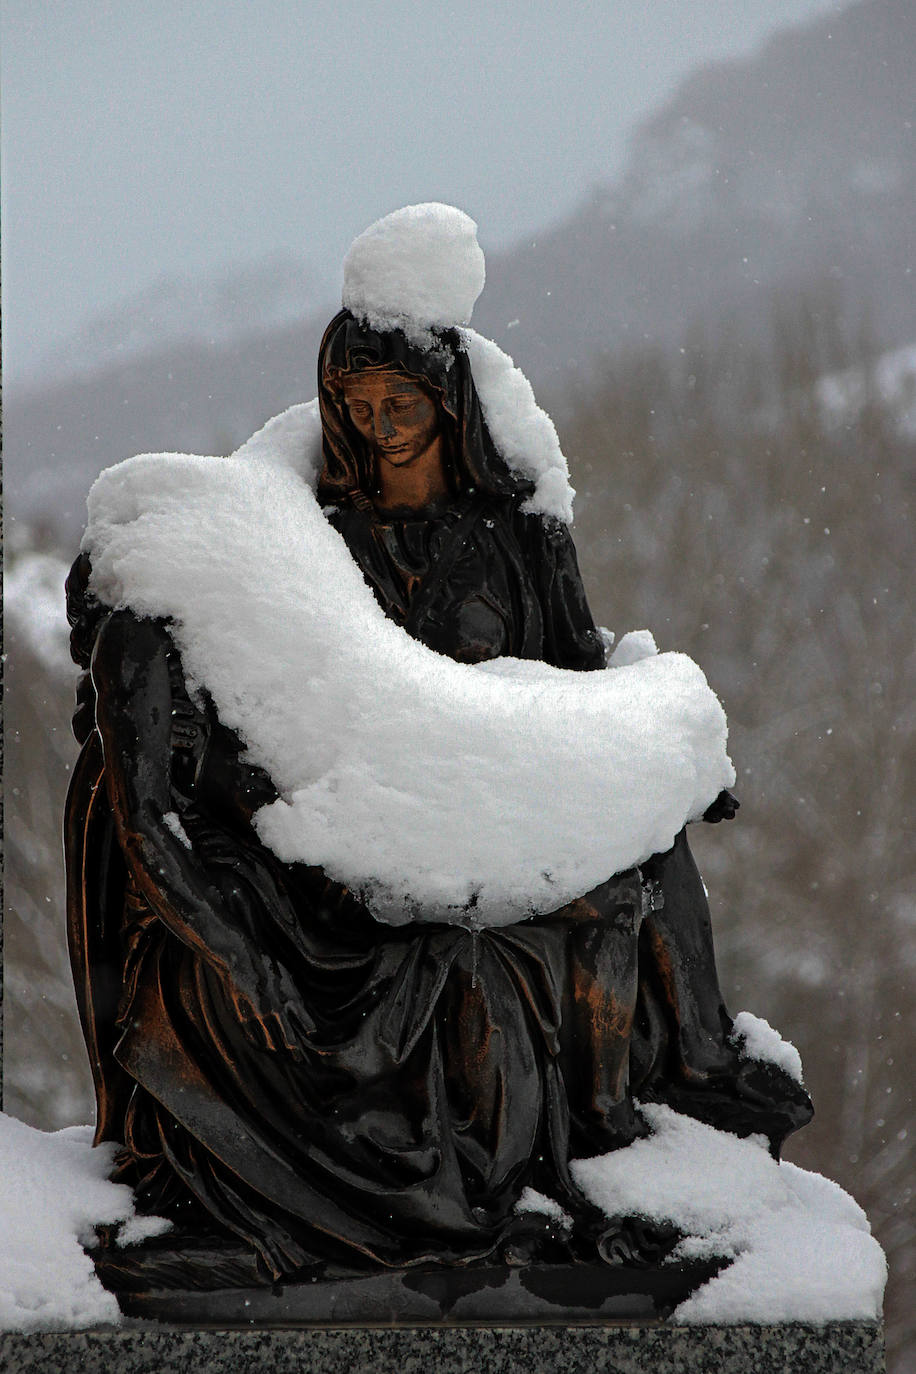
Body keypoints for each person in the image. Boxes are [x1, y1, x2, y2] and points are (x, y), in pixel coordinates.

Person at [65, 308, 811, 1289]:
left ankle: (662, 1096)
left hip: (506, 776)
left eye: (402, 401)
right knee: (489, 940)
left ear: (447, 404)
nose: (382, 424)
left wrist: (650, 753)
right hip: (378, 801)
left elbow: (578, 673)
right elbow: (288, 688)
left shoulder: (521, 539)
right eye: (359, 405)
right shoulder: (319, 537)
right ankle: (545, 1152)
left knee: (634, 861)